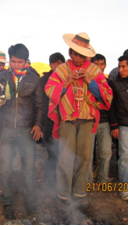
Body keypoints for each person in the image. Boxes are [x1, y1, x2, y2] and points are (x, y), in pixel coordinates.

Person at [45, 32, 113, 209]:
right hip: (68, 119)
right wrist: (67, 82)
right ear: (69, 53)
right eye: (75, 53)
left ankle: (79, 192)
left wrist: (90, 82)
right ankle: (63, 194)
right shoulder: (62, 70)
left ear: (87, 55)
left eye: (82, 54)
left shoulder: (93, 70)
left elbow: (105, 95)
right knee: (65, 158)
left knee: (84, 157)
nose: (78, 57)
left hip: (87, 120)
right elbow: (50, 91)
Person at [0, 44, 44, 219]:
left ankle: (29, 199)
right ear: (9, 60)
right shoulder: (0, 77)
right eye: (13, 61)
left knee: (29, 168)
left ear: (26, 62)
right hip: (6, 130)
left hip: (26, 130)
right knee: (5, 168)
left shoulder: (34, 79)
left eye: (19, 62)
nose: (15, 65)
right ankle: (8, 201)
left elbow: (39, 105)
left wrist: (37, 125)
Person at [40, 52, 65, 188]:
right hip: (49, 120)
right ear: (51, 65)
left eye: (60, 64)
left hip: (65, 120)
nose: (57, 67)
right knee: (52, 151)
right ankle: (51, 181)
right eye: (55, 64)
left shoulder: (67, 78)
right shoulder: (44, 80)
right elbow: (41, 101)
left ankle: (63, 180)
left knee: (64, 151)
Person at [89, 54, 113, 184]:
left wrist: (114, 125)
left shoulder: (109, 82)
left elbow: (112, 105)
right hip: (90, 122)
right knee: (87, 154)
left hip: (105, 122)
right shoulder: (86, 81)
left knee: (106, 153)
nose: (99, 67)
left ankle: (103, 179)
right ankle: (87, 180)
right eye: (96, 64)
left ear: (105, 65)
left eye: (102, 64)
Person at [109, 54, 128, 201]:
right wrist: (114, 125)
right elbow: (111, 106)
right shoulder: (115, 84)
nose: (120, 70)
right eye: (120, 66)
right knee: (124, 157)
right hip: (123, 125)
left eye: (123, 67)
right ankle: (124, 188)